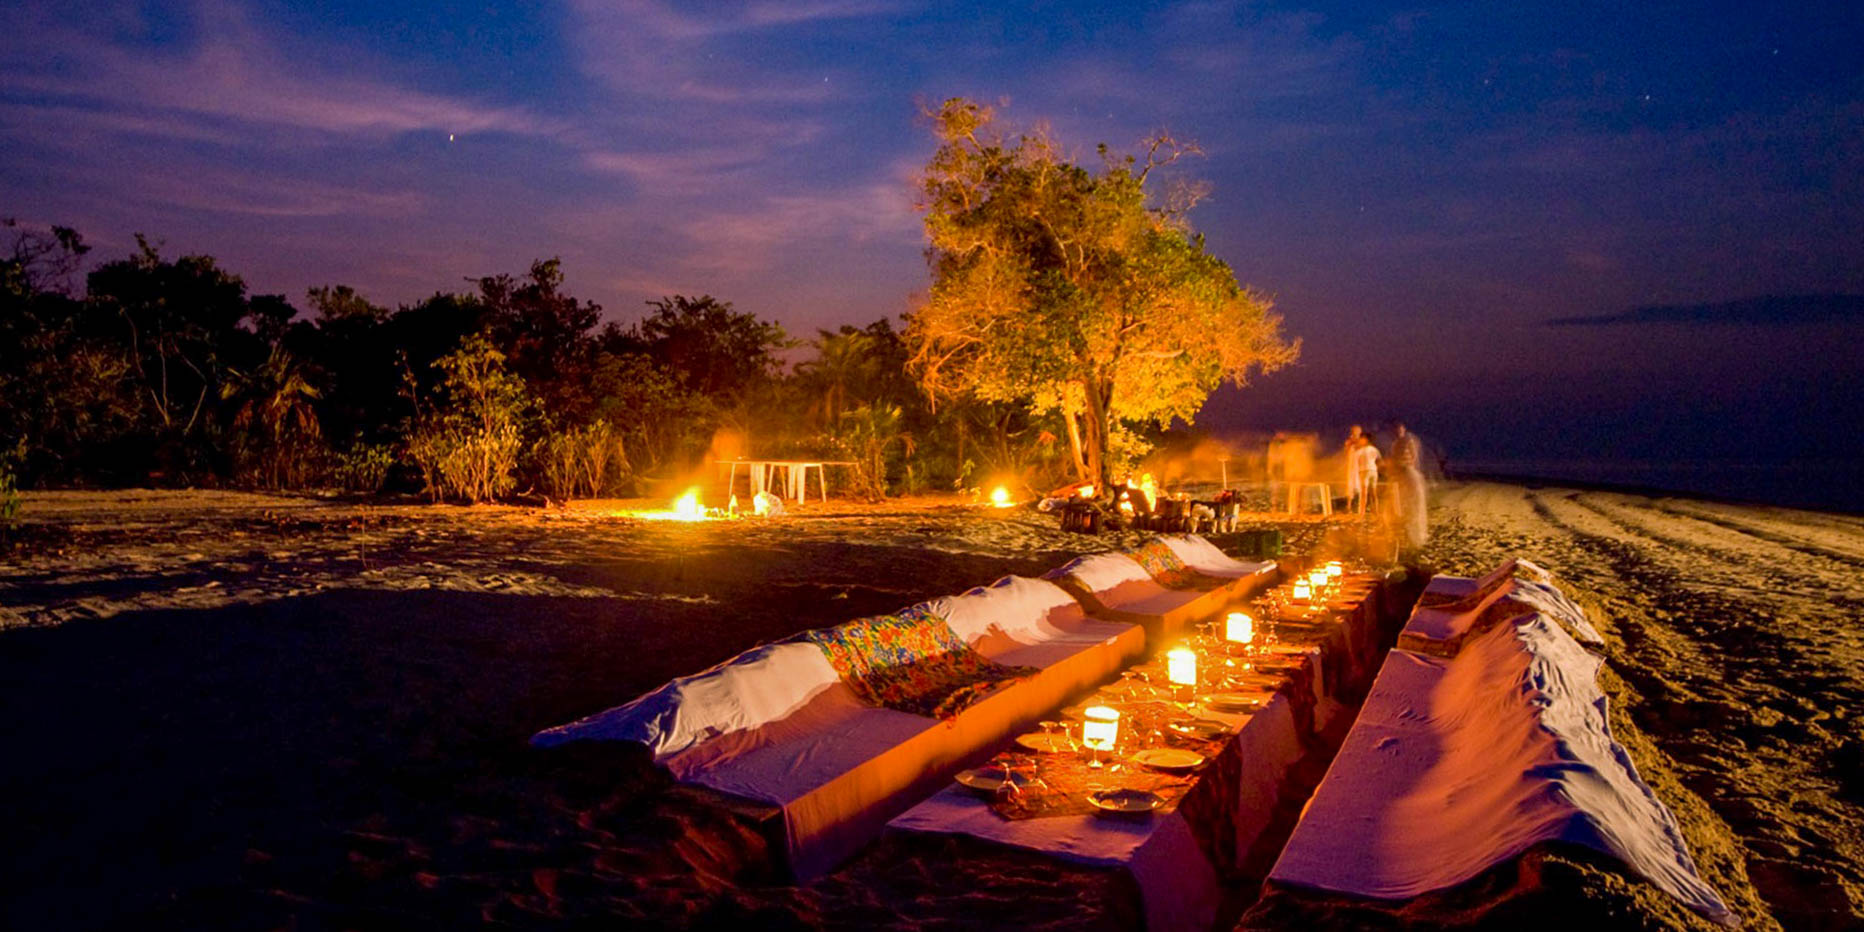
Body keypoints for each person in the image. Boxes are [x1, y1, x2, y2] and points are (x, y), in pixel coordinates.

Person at [1389, 421, 1427, 549]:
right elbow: (1394, 459)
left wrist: (1409, 467)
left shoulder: (1408, 441)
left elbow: (1414, 456)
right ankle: (1406, 536)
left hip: (1407, 471)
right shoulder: (1395, 444)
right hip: (1400, 474)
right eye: (1396, 430)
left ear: (1404, 430)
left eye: (1400, 429)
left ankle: (1414, 537)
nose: (1398, 432)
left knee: (1412, 504)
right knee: (1401, 505)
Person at [1346, 429, 1381, 516]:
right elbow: (1379, 461)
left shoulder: (1367, 450)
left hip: (1367, 472)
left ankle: (1366, 512)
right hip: (1369, 471)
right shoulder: (1367, 450)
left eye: (1362, 439)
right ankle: (1368, 512)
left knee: (1368, 492)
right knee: (1368, 492)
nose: (1360, 440)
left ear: (1366, 439)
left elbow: (1379, 461)